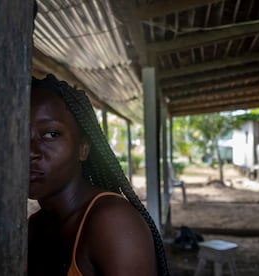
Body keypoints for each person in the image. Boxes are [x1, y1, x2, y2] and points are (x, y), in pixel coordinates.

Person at [28, 74, 169, 276]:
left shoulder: (112, 223)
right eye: (19, 134)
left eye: (51, 134)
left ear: (83, 149)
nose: (30, 151)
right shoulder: (35, 226)